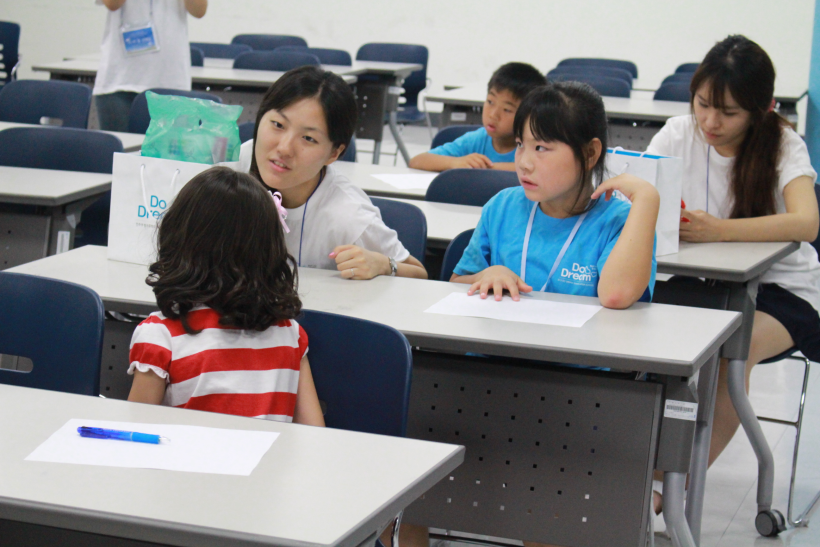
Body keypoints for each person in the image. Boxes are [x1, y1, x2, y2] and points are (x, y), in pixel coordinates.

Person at [386, 82, 659, 547]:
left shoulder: (618, 220)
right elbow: (457, 282)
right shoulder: (504, 207)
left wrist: (647, 201)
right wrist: (486, 273)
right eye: (520, 145)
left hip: (574, 397)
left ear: (591, 152)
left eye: (542, 148)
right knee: (408, 489)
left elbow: (616, 295)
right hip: (481, 380)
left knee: (542, 520)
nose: (524, 161)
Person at [646, 35, 820, 498]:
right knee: (634, 335)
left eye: (728, 112)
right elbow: (635, 194)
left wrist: (719, 230)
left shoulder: (784, 145)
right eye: (703, 104)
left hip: (782, 293)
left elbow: (807, 222)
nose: (710, 121)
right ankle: (632, 470)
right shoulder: (677, 134)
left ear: (761, 109)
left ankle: (665, 491)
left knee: (728, 355)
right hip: (701, 283)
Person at [127, 166, 325, 427]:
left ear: (177, 238)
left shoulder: (160, 336)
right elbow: (314, 433)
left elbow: (134, 432)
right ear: (270, 250)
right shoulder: (290, 334)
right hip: (273, 456)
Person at [237, 66, 428, 280]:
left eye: (308, 138)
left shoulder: (349, 217)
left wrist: (383, 265)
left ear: (334, 153)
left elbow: (420, 276)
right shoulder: (238, 165)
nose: (284, 148)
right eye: (278, 124)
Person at [408, 62, 547, 172]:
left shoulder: (534, 146)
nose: (493, 115)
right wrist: (455, 162)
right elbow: (417, 161)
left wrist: (484, 168)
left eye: (507, 110)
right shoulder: (476, 140)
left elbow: (540, 171)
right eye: (490, 102)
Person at [93, 0, 208, 132]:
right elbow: (112, 4)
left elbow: (199, 11)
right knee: (119, 144)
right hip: (119, 82)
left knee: (170, 145)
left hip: (170, 80)